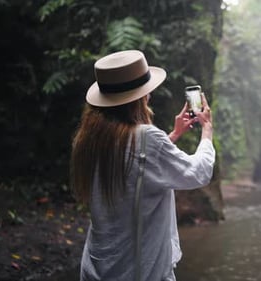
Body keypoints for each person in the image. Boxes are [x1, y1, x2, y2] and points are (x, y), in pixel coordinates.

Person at [70, 50, 215, 281]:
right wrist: (207, 131)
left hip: (97, 270)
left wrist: (174, 134)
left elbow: (133, 163)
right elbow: (199, 172)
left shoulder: (90, 138)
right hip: (139, 272)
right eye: (146, 93)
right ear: (138, 99)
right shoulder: (146, 138)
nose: (149, 97)